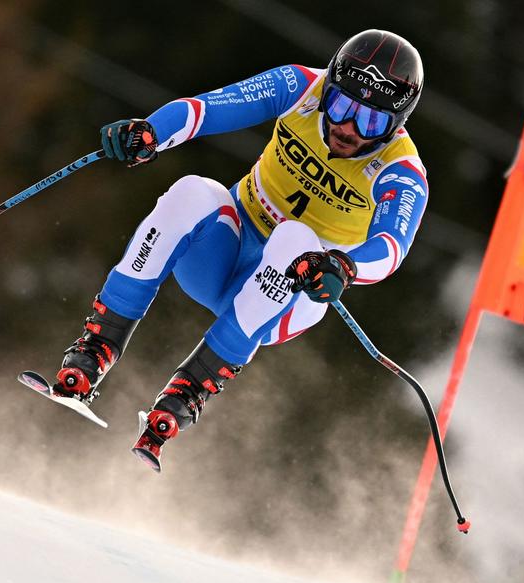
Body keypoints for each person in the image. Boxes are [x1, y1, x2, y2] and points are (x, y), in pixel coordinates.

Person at [53, 29, 430, 472]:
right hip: (221, 258)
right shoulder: (300, 88)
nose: (348, 127)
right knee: (193, 191)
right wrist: (152, 131)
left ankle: (187, 393)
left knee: (297, 240)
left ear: (397, 123)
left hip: (285, 298)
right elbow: (207, 108)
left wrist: (344, 266)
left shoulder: (402, 172)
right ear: (328, 87)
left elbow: (390, 247)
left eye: (371, 121)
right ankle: (95, 349)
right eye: (343, 105)